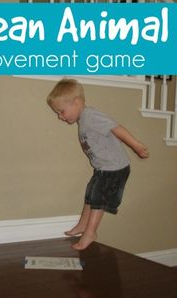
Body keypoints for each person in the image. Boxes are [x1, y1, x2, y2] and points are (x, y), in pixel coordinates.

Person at [46, 78, 149, 250]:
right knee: (91, 193)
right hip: (103, 168)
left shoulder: (90, 115)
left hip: (115, 167)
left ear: (77, 102)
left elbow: (116, 128)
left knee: (98, 199)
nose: (60, 116)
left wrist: (136, 145)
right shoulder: (83, 119)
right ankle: (82, 225)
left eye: (62, 111)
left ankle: (90, 232)